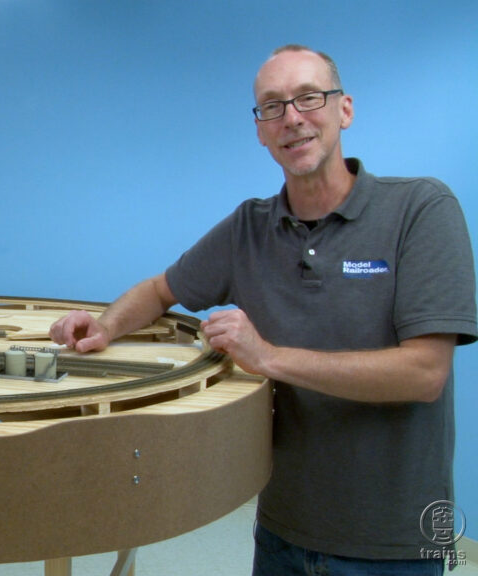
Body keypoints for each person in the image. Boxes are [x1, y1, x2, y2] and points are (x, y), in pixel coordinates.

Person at [49, 44, 477, 575]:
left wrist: (268, 356)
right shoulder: (249, 227)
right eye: (272, 106)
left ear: (344, 110)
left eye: (309, 97)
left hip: (392, 543)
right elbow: (160, 289)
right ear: (260, 130)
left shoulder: (421, 210)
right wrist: (107, 326)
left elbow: (424, 374)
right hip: (282, 531)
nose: (292, 118)